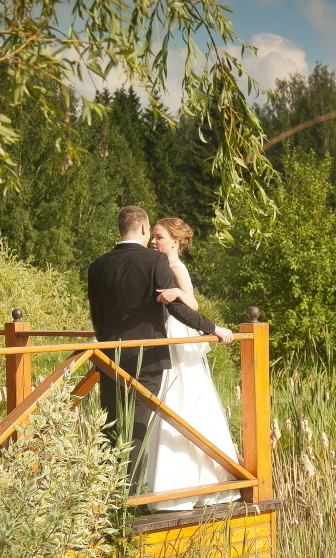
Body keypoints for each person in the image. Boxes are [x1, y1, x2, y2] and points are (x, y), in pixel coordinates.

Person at [87, 206, 234, 492]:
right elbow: (178, 310)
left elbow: (97, 317)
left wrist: (105, 348)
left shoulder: (98, 265)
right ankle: (127, 502)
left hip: (108, 356)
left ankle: (104, 497)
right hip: (148, 358)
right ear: (143, 229)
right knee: (139, 430)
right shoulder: (155, 261)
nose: (153, 240)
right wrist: (213, 329)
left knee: (110, 427)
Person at [145, 217, 241, 510]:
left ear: (174, 241)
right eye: (154, 237)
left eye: (159, 237)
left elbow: (193, 304)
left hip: (177, 336)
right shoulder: (161, 266)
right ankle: (172, 482)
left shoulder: (174, 267)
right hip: (169, 334)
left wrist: (176, 293)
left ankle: (195, 480)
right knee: (171, 399)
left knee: (184, 395)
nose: (154, 241)